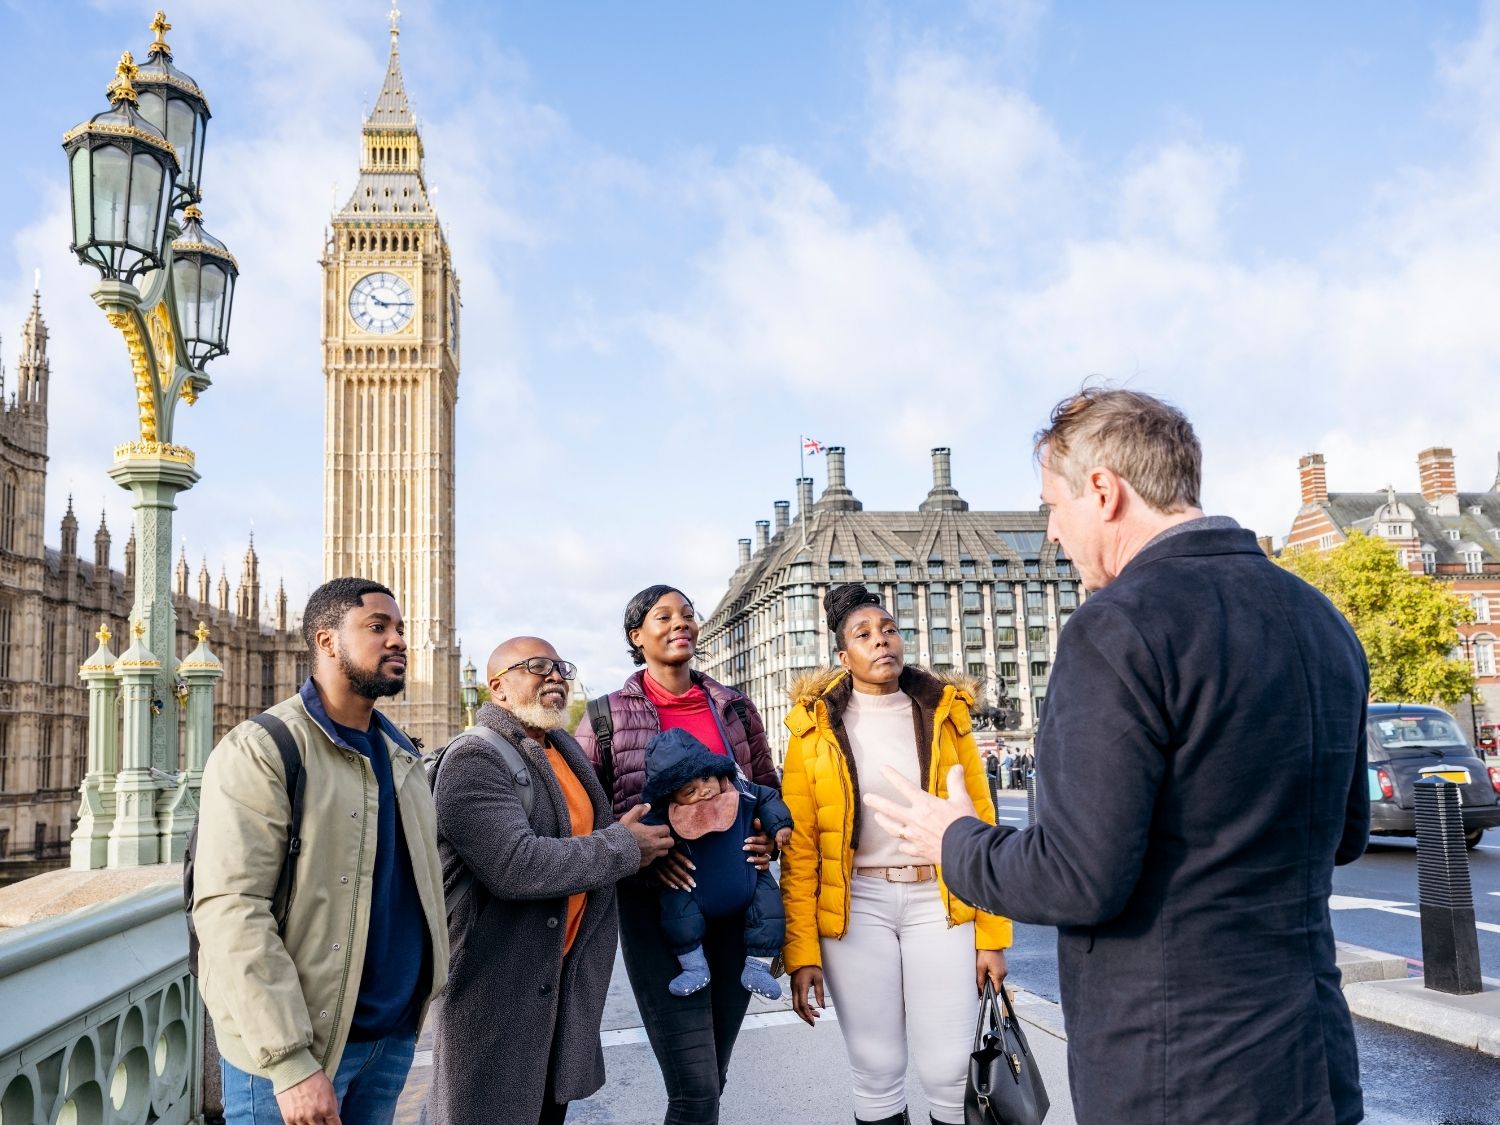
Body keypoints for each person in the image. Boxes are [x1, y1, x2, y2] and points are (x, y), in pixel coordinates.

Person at [865, 387, 1370, 1125]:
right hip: (1313, 1059)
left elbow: (1076, 879)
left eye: (1051, 505)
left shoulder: (1118, 628)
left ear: (1103, 492)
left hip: (1179, 1072)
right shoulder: (1321, 618)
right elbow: (1347, 834)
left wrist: (956, 839)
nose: (1050, 533)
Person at [194, 578, 449, 1125]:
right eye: (377, 627)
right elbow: (231, 911)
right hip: (298, 1050)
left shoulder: (400, 752)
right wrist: (290, 1063)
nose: (397, 640)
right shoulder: (263, 749)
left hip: (389, 1036)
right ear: (327, 640)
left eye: (400, 629)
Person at [780, 583, 1012, 1125]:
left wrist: (993, 936)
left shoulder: (945, 713)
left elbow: (982, 826)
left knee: (952, 1068)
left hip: (942, 897)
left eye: (888, 630)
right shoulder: (811, 729)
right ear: (843, 656)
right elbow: (803, 851)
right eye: (863, 635)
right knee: (875, 1066)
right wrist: (802, 953)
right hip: (856, 906)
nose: (881, 641)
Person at [423, 636, 674, 1125]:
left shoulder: (561, 750)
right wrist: (625, 847)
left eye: (561, 667)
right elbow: (516, 865)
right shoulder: (474, 760)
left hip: (559, 987)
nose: (555, 675)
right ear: (497, 688)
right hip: (496, 993)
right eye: (537, 666)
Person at [574, 584, 780, 1125]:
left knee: (712, 1076)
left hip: (739, 909)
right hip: (659, 914)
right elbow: (577, 812)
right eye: (662, 617)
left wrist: (765, 835)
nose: (680, 624)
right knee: (694, 1089)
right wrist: (636, 850)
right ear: (635, 636)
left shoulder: (733, 706)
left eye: (687, 614)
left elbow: (765, 786)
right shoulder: (605, 717)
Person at [641, 728, 793, 1000]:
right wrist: (647, 856)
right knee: (677, 913)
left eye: (706, 778)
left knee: (769, 907)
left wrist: (777, 827)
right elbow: (644, 832)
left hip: (749, 876)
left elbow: (769, 798)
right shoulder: (665, 813)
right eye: (690, 791)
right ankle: (694, 966)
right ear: (671, 798)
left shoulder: (741, 791)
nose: (704, 791)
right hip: (692, 886)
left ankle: (759, 967)